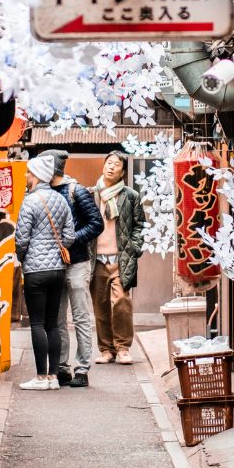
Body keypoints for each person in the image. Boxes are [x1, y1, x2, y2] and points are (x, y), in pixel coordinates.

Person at [38, 149, 104, 388]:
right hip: (55, 264)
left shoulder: (77, 191)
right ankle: (62, 366)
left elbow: (97, 224)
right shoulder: (42, 192)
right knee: (56, 319)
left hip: (77, 262)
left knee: (80, 317)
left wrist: (71, 239)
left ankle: (82, 368)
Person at [14, 153, 74, 391]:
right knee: (53, 324)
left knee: (37, 324)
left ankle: (40, 377)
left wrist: (23, 257)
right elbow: (69, 236)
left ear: (37, 174)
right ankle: (53, 377)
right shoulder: (60, 200)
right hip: (58, 270)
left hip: (36, 271)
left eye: (29, 172)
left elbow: (21, 238)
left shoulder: (30, 201)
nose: (27, 176)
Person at [91, 151, 145, 364]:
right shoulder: (91, 194)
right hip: (96, 259)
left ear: (123, 171)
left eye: (116, 164)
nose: (111, 167)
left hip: (121, 258)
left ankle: (122, 348)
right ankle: (106, 349)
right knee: (100, 304)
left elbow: (140, 224)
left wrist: (134, 247)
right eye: (108, 163)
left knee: (122, 302)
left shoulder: (130, 196)